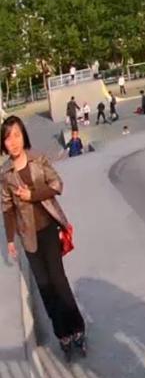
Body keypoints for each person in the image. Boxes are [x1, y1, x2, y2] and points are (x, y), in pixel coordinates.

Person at [1, 116, 86, 361]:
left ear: (23, 135)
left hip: (49, 228)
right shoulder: (5, 174)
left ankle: (77, 327)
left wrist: (32, 195)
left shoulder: (38, 158)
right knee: (45, 288)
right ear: (3, 144)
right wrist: (9, 240)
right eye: (8, 137)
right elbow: (7, 208)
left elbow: (57, 185)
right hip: (28, 237)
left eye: (16, 135)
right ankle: (63, 335)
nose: (13, 142)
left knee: (58, 281)